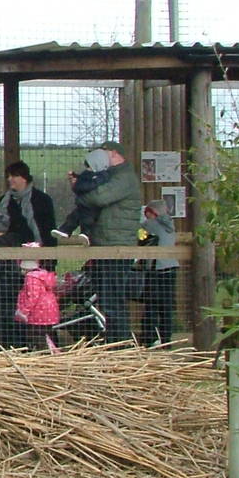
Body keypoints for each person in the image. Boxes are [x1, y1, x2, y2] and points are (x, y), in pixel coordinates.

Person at [71, 139, 142, 344]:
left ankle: (120, 344)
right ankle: (115, 342)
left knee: (113, 299)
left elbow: (99, 198)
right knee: (107, 299)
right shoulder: (111, 176)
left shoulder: (124, 178)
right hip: (106, 245)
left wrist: (79, 194)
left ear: (113, 153)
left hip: (116, 247)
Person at [0, 161, 56, 348]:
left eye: (14, 176)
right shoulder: (4, 200)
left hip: (36, 256)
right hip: (10, 258)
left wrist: (48, 258)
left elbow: (48, 230)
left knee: (35, 301)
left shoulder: (42, 200)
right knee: (14, 300)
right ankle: (14, 343)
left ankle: (40, 342)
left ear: (24, 178)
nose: (10, 180)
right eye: (8, 176)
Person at [50, 148, 114, 244]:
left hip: (92, 206)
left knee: (87, 219)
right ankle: (65, 229)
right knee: (74, 217)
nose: (87, 170)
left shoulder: (102, 176)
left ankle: (85, 234)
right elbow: (84, 182)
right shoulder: (90, 175)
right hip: (84, 204)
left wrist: (78, 184)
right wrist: (76, 178)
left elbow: (88, 185)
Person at [139, 198, 179, 346]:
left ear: (152, 213)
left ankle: (149, 338)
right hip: (171, 268)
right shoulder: (170, 224)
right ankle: (166, 339)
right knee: (166, 307)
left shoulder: (150, 225)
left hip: (156, 270)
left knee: (151, 306)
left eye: (146, 213)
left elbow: (139, 236)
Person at [14, 248, 61, 351]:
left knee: (37, 336)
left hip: (38, 313)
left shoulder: (31, 278)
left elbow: (32, 297)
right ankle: (54, 351)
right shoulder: (43, 275)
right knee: (48, 334)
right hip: (49, 313)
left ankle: (41, 352)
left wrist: (24, 311)